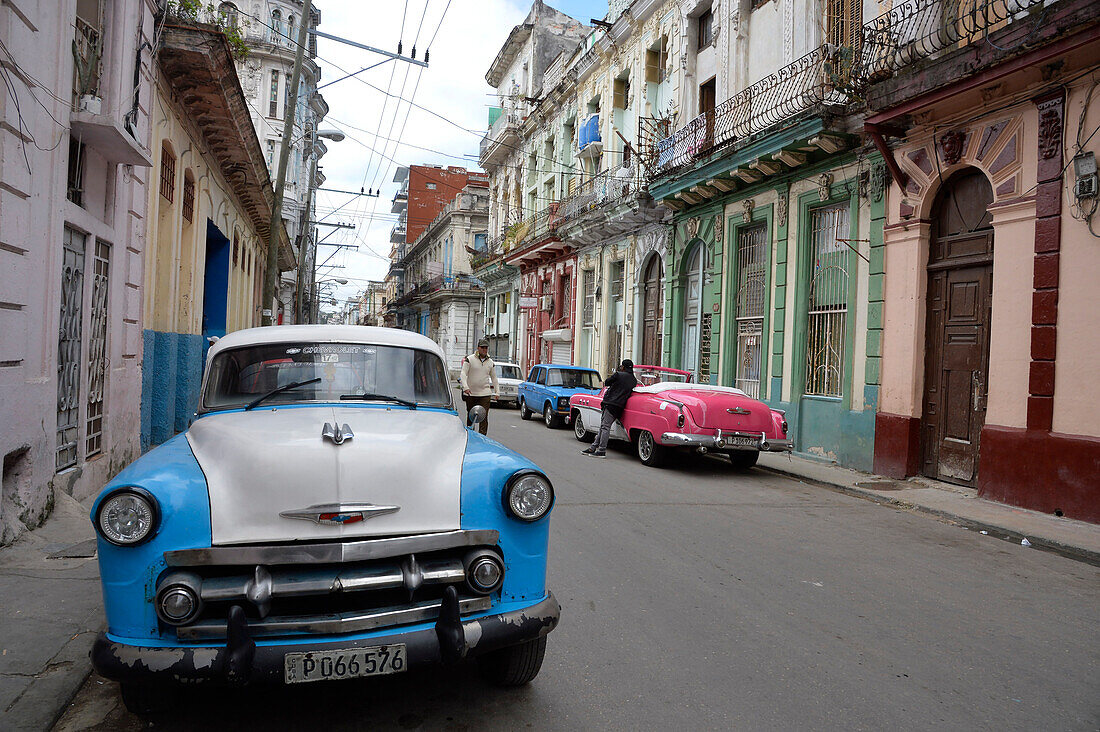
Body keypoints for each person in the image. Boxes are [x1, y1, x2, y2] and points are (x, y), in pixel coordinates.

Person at [582, 359, 637, 458]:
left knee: (605, 427)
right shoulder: (634, 380)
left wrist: (616, 372)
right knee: (604, 426)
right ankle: (593, 448)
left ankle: (601, 450)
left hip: (611, 403)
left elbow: (607, 382)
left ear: (623, 367)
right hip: (620, 406)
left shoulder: (619, 375)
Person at [460, 338, 498, 435]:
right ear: (478, 348)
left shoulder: (490, 362)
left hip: (485, 393)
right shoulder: (470, 359)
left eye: (486, 348)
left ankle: (482, 437)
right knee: (471, 414)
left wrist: (497, 392)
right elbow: (463, 374)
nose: (484, 350)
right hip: (471, 393)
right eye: (482, 347)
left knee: (483, 416)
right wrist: (465, 387)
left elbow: (494, 378)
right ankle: (470, 434)